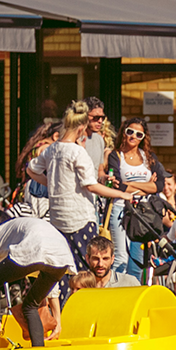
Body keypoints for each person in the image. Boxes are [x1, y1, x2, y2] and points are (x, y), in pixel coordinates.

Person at [26, 101, 135, 262]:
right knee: (85, 269)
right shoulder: (77, 152)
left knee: (63, 266)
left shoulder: (53, 148)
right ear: (81, 128)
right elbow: (91, 185)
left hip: (58, 219)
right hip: (80, 219)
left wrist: (52, 184)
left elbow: (31, 169)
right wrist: (122, 194)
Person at [0, 216, 72, 348]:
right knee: (30, 305)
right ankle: (38, 349)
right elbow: (53, 289)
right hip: (63, 255)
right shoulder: (20, 229)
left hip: (35, 245)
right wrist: (58, 321)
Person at [106, 117, 166, 277]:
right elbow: (118, 185)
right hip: (121, 208)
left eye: (139, 134)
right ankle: (116, 294)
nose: (133, 137)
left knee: (137, 259)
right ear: (124, 133)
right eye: (130, 132)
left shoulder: (149, 157)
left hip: (144, 211)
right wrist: (147, 186)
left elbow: (159, 186)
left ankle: (133, 294)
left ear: (143, 137)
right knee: (120, 257)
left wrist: (131, 186)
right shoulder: (116, 156)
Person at [73, 236, 141, 289]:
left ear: (112, 259)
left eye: (105, 259)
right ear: (87, 259)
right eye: (96, 259)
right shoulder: (79, 285)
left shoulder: (129, 283)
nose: (100, 264)